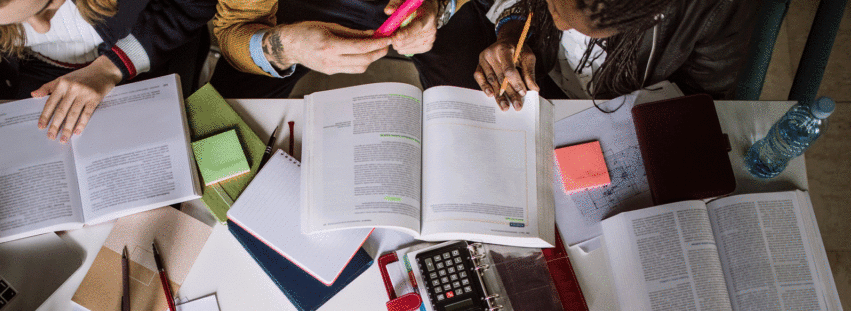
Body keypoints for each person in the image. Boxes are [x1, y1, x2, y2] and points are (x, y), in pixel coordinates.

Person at [0, 0, 215, 169]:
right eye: (11, 20)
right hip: (12, 71)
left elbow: (193, 5)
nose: (42, 26)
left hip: (135, 59)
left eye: (48, 4)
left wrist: (112, 67)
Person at [475, 0, 758, 111]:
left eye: (572, 22)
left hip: (625, 109)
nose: (559, 24)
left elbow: (703, 97)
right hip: (547, 84)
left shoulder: (717, 8)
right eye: (552, 4)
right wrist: (511, 31)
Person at [208, 0, 472, 99]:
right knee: (221, 125)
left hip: (422, 6)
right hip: (296, 9)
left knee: (476, 102)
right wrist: (287, 47)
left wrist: (440, 6)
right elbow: (235, 28)